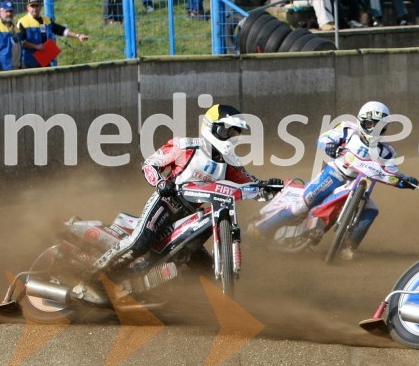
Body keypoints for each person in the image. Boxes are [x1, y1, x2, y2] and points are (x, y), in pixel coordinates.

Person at [91, 105, 283, 275]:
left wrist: (270, 188)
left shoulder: (231, 163)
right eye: (226, 131)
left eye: (234, 133)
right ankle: (95, 274)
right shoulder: (185, 146)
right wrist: (160, 183)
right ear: (212, 127)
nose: (230, 138)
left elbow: (250, 184)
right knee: (139, 243)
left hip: (192, 218)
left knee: (205, 269)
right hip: (166, 203)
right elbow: (150, 164)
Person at [254, 101, 419, 259]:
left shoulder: (387, 152)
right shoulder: (348, 129)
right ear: (362, 121)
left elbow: (392, 173)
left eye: (379, 126)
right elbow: (324, 138)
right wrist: (330, 146)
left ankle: (347, 249)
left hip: (360, 185)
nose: (374, 129)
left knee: (371, 210)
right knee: (301, 205)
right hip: (334, 174)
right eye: (371, 123)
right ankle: (259, 230)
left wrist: (405, 181)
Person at [16, 0, 89, 69]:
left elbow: (62, 30)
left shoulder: (47, 20)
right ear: (28, 7)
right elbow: (20, 42)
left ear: (41, 7)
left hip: (45, 62)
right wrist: (36, 46)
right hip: (29, 63)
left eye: (37, 6)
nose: (35, 9)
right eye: (32, 6)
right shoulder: (22, 22)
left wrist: (78, 36)